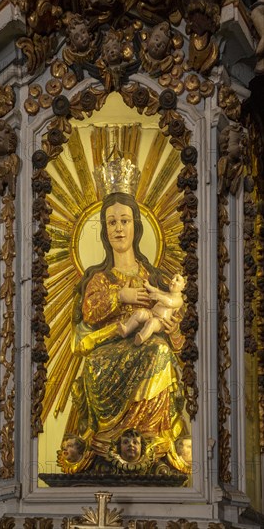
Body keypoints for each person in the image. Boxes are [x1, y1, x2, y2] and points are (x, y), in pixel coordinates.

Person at [65, 191, 188, 474]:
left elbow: (177, 330)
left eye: (124, 221)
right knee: (101, 362)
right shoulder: (98, 277)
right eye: (111, 223)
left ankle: (154, 439)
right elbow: (88, 314)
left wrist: (173, 330)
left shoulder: (154, 277)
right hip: (107, 350)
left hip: (149, 347)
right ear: (104, 231)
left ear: (136, 227)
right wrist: (121, 294)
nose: (118, 228)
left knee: (160, 351)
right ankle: (105, 438)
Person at [118, 274, 184, 345]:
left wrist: (159, 297)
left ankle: (141, 337)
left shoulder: (179, 300)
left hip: (161, 321)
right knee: (140, 313)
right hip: (151, 313)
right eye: (172, 278)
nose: (172, 280)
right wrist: (148, 286)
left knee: (151, 323)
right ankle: (126, 329)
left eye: (177, 280)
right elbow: (156, 290)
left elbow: (170, 302)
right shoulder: (166, 293)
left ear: (183, 286)